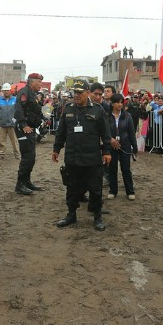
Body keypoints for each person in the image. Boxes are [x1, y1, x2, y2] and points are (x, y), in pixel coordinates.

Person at [52, 82, 112, 231]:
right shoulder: (68, 109)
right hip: (72, 157)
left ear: (87, 92)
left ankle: (97, 216)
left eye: (80, 93)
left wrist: (106, 151)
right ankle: (71, 214)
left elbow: (106, 134)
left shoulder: (98, 110)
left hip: (91, 158)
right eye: (75, 93)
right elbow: (61, 132)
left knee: (95, 189)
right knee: (71, 188)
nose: (77, 96)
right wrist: (56, 149)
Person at [14, 73, 45, 195]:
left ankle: (27, 181)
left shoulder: (33, 94)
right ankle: (20, 184)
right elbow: (18, 110)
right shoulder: (24, 92)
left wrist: (43, 117)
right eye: (39, 82)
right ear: (31, 81)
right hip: (24, 129)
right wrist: (24, 125)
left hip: (31, 128)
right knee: (27, 157)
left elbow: (35, 110)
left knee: (31, 157)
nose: (41, 84)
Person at [107, 94, 137, 200]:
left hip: (125, 145)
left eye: (121, 102)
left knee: (126, 169)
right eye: (117, 102)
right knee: (112, 169)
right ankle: (113, 190)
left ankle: (130, 191)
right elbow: (104, 131)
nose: (120, 104)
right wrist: (110, 139)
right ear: (112, 103)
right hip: (112, 145)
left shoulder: (127, 116)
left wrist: (134, 146)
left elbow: (131, 132)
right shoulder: (107, 115)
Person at [0, 83, 21, 160]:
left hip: (12, 125)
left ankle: (17, 154)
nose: (6, 92)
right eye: (5, 90)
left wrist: (17, 120)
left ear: (10, 91)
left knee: (14, 141)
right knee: (2, 141)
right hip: (2, 124)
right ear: (2, 91)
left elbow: (18, 110)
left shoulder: (15, 99)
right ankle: (1, 154)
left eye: (7, 90)